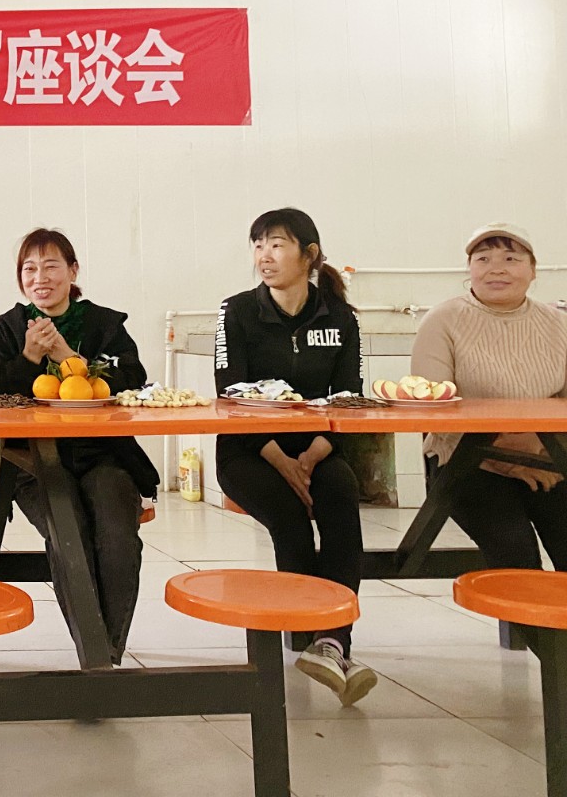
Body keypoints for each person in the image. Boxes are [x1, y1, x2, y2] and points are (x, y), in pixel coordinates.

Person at [214, 207, 374, 706]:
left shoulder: (341, 317)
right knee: (289, 518)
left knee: (341, 499)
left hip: (317, 449)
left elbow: (349, 395)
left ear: (309, 255)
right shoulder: (237, 311)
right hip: (248, 450)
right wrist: (282, 460)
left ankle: (333, 642)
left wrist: (314, 453)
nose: (264, 255)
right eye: (258, 245)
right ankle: (307, 631)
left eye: (277, 244)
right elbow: (229, 392)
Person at [0, 228, 157, 665]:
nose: (40, 277)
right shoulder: (9, 328)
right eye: (29, 268)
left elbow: (133, 379)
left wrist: (66, 355)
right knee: (68, 531)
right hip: (31, 460)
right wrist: (29, 359)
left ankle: (105, 654)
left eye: (51, 266)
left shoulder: (104, 325)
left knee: (117, 535)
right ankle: (98, 658)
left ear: (73, 272)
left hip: (104, 456)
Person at [411, 223, 567, 571]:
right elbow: (432, 405)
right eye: (483, 259)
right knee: (516, 552)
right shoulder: (442, 321)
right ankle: (524, 610)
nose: (496, 268)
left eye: (511, 259)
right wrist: (509, 454)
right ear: (469, 269)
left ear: (533, 270)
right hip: (466, 461)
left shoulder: (560, 325)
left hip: (545, 456)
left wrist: (538, 445)